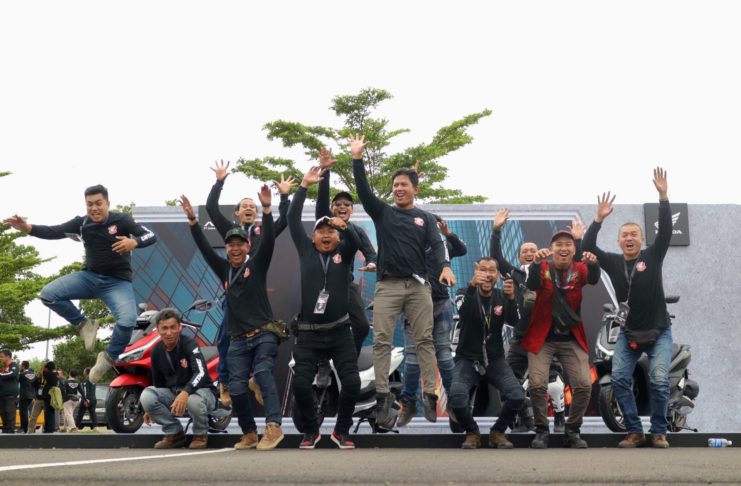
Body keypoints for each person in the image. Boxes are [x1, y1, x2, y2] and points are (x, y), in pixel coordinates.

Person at [351, 134, 456, 429]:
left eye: (404, 185)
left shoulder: (425, 218)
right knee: (382, 341)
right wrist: (357, 158)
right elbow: (364, 191)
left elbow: (438, 245)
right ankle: (383, 396)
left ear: (415, 189)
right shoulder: (383, 213)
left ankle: (429, 393)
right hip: (388, 286)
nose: (398, 189)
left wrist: (445, 266)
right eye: (395, 185)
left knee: (425, 340)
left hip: (419, 286)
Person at [4, 185, 158, 384]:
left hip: (117, 283)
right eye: (89, 204)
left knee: (128, 321)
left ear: (107, 203)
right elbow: (54, 231)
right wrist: (28, 228)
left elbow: (150, 235)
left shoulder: (122, 220)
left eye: (98, 203)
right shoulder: (82, 223)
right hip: (89, 278)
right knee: (48, 294)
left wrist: (134, 242)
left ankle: (108, 358)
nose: (94, 208)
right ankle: (84, 324)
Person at [181, 185, 285, 451]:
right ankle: (249, 433)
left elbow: (269, 240)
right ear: (226, 248)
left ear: (248, 246)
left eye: (240, 244)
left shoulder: (257, 264)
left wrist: (267, 209)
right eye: (231, 245)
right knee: (236, 388)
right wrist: (193, 221)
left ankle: (273, 427)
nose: (236, 248)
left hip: (263, 333)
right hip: (238, 339)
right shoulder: (224, 269)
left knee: (263, 374)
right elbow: (204, 247)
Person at [582, 167, 673, 449]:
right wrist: (598, 219)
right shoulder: (611, 261)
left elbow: (666, 231)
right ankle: (634, 431)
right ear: (619, 241)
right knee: (619, 379)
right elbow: (587, 246)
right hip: (628, 332)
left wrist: (663, 197)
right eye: (625, 235)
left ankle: (659, 432)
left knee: (659, 380)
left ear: (642, 240)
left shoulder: (653, 256)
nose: (629, 238)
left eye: (634, 234)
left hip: (659, 331)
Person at [206, 161, 295, 407]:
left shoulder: (262, 233)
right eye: (244, 206)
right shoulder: (231, 231)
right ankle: (225, 382)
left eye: (252, 206)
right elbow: (211, 208)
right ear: (236, 213)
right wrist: (219, 182)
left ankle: (256, 378)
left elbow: (284, 220)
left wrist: (284, 197)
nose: (249, 208)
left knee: (263, 339)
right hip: (234, 296)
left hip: (255, 297)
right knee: (227, 336)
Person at [491, 209, 586, 432]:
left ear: (541, 253)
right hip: (521, 337)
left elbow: (576, 266)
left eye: (533, 250)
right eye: (524, 251)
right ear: (519, 257)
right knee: (508, 381)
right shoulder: (514, 274)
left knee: (554, 384)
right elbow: (496, 256)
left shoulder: (550, 272)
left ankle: (560, 418)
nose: (529, 253)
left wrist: (578, 241)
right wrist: (496, 230)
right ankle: (522, 418)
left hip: (546, 337)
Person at [288, 166, 362, 449]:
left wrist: (345, 226)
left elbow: (355, 241)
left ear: (338, 236)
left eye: (331, 230)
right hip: (308, 334)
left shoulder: (345, 252)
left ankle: (341, 432)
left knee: (352, 384)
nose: (326, 234)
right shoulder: (305, 251)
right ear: (312, 237)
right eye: (321, 231)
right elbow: (292, 218)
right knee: (300, 385)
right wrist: (303, 186)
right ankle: (311, 431)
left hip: (341, 332)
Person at [522, 230, 600, 449]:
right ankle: (541, 430)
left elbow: (593, 278)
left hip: (571, 338)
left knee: (584, 385)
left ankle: (572, 430)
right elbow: (532, 284)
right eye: (558, 244)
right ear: (552, 249)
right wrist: (535, 263)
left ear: (574, 250)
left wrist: (594, 264)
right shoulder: (543, 268)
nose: (563, 248)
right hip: (542, 338)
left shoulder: (579, 269)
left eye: (568, 244)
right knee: (537, 384)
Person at [398, 214, 467, 426]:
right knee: (412, 358)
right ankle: (409, 403)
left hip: (440, 304)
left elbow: (462, 250)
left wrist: (448, 233)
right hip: (413, 307)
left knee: (445, 356)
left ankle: (454, 403)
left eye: (435, 225)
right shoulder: (407, 245)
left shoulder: (443, 246)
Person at [449, 259, 525, 449]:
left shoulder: (502, 296)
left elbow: (515, 322)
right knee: (456, 397)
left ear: (498, 275)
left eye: (492, 270)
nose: (487, 274)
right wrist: (471, 287)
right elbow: (463, 313)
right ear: (476, 272)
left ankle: (498, 432)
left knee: (517, 395)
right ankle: (472, 432)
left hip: (494, 360)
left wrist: (511, 299)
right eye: (483, 270)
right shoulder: (464, 293)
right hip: (467, 359)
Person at [314, 147, 378, 355]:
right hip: (322, 286)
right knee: (315, 326)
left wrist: (372, 262)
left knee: (361, 326)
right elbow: (321, 201)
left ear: (352, 209)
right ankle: (323, 362)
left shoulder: (356, 231)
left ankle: (350, 359)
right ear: (332, 207)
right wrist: (325, 172)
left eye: (347, 204)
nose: (342, 206)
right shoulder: (325, 224)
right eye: (338, 203)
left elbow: (371, 253)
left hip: (346, 285)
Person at [140, 308, 218, 449]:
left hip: (202, 392)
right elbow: (158, 384)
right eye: (164, 328)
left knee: (193, 400)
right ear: (158, 329)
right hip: (175, 393)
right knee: (147, 396)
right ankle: (175, 433)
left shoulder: (190, 344)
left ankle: (200, 434)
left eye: (173, 327)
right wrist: (149, 408)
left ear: (179, 327)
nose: (169, 333)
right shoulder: (156, 351)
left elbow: (200, 373)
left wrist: (186, 392)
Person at [28, 361, 58, 434]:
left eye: (44, 368)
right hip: (39, 399)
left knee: (47, 416)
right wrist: (38, 377)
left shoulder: (51, 376)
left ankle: (45, 430)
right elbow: (32, 385)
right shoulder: (39, 378)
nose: (43, 370)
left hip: (47, 399)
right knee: (33, 416)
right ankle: (30, 431)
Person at [0, 350, 19, 433]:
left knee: (9, 413)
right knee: (3, 413)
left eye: (2, 356)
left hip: (10, 395)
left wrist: (0, 374)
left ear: (8, 357)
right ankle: (5, 431)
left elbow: (12, 374)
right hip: (2, 394)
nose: (0, 358)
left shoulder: (14, 365)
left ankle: (10, 433)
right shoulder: (4, 367)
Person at [18, 361, 35, 433]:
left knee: (23, 412)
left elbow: (16, 381)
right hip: (31, 396)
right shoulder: (34, 375)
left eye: (20, 365)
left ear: (23, 366)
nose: (20, 367)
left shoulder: (22, 375)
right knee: (28, 412)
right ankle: (30, 427)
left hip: (24, 395)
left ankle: (24, 428)